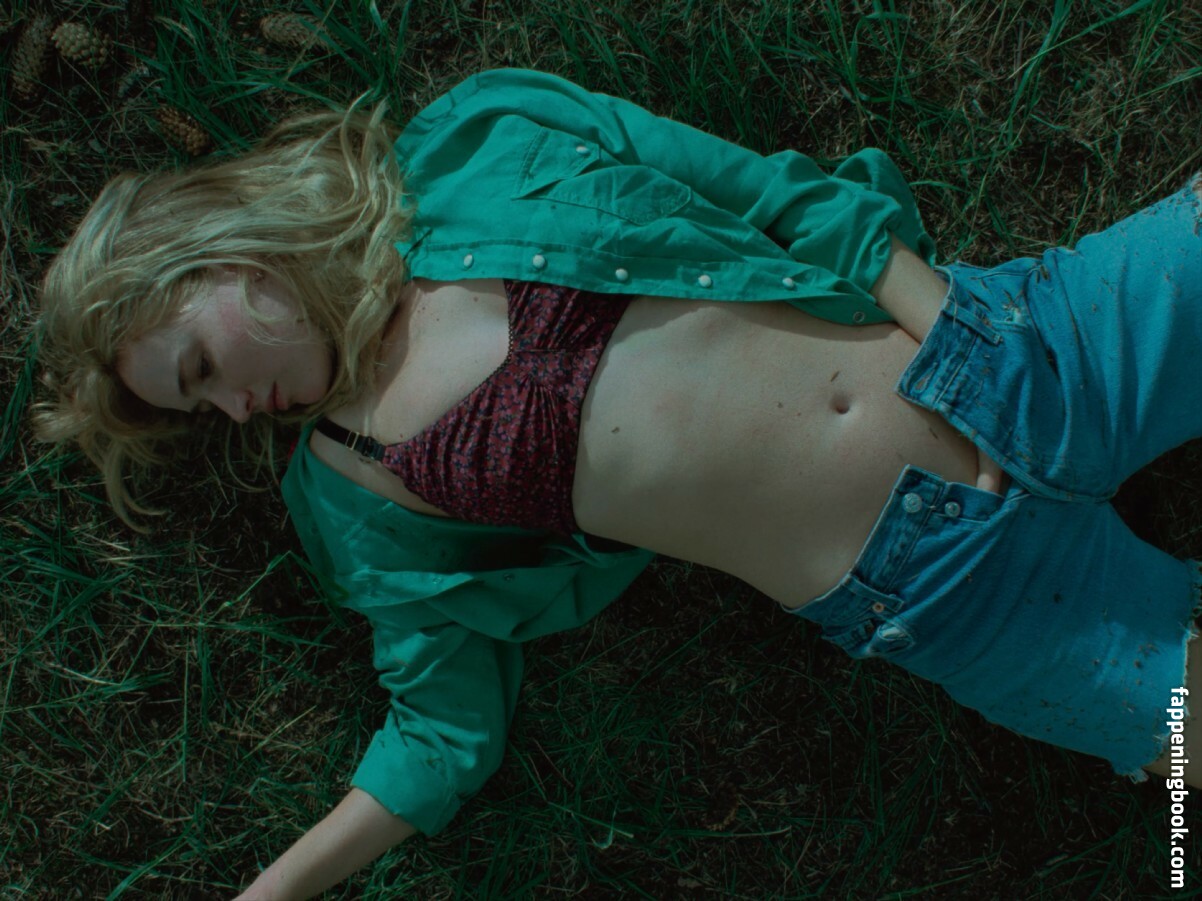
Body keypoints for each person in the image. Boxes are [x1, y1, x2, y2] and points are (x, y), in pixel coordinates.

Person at [34, 67, 1202, 898]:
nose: (233, 411)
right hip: (941, 593)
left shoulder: (473, 139)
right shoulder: (351, 494)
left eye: (200, 369)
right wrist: (274, 889)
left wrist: (950, 329)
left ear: (222, 253)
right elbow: (439, 728)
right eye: (199, 409)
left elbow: (766, 194)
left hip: (1021, 353)